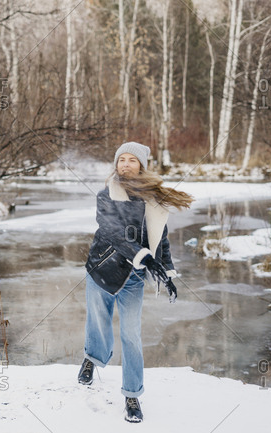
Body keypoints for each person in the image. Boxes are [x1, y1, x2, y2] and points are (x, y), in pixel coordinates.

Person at [78, 142, 193, 423]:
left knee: (131, 335)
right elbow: (114, 233)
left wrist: (166, 271)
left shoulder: (154, 199)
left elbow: (160, 238)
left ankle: (132, 394)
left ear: (141, 165)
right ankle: (92, 359)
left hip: (133, 278)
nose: (126, 164)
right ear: (116, 164)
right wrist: (145, 257)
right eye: (121, 160)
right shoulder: (107, 195)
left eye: (132, 160)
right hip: (102, 271)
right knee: (99, 324)